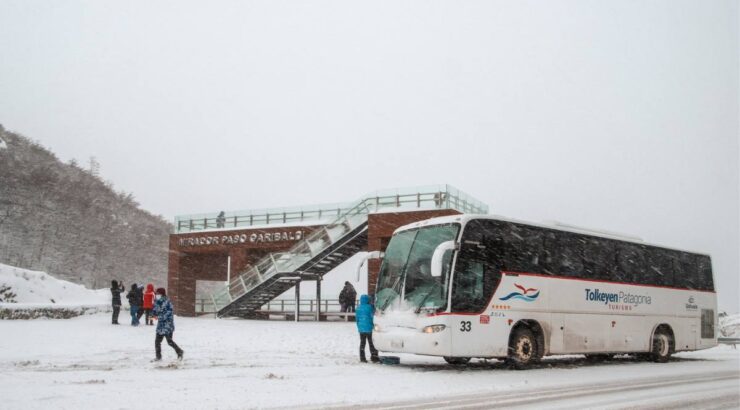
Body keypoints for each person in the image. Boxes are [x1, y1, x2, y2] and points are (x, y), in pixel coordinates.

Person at [151, 287, 184, 361]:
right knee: (157, 341)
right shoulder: (156, 301)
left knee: (169, 341)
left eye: (158, 294)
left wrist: (160, 317)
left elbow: (169, 312)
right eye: (156, 294)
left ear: (162, 294)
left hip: (167, 325)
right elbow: (154, 310)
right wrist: (153, 314)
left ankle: (179, 352)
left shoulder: (167, 302)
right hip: (160, 326)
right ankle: (158, 357)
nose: (156, 295)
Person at [356, 294, 379, 363]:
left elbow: (357, 319)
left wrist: (359, 327)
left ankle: (362, 357)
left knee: (362, 343)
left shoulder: (358, 308)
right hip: (369, 328)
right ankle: (374, 357)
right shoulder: (370, 307)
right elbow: (373, 317)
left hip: (361, 329)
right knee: (371, 343)